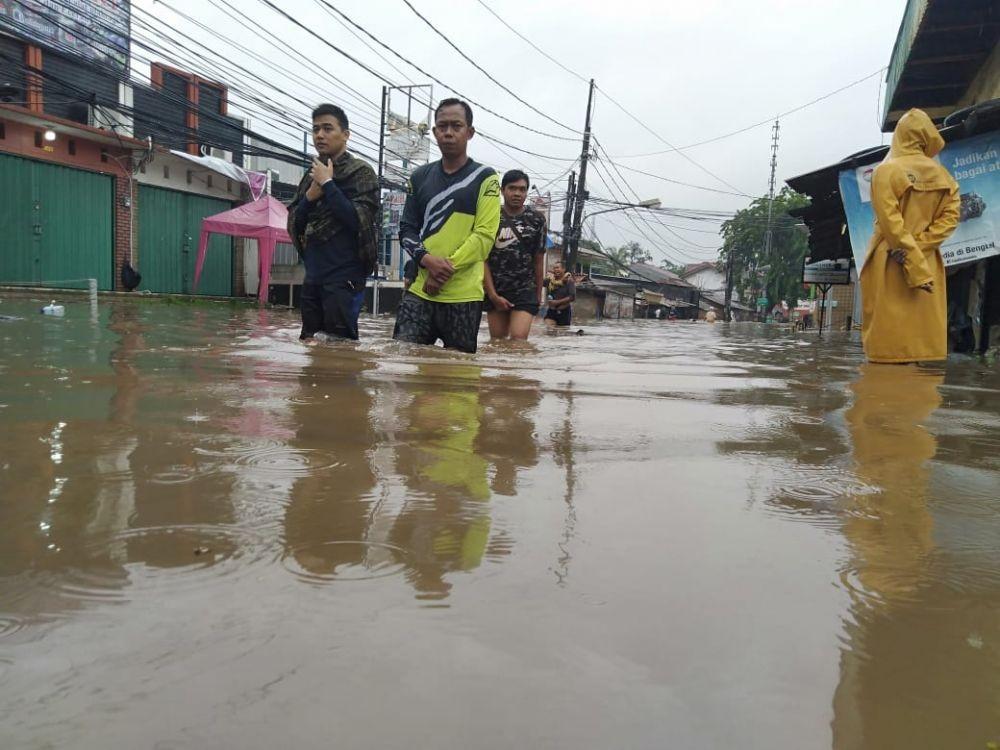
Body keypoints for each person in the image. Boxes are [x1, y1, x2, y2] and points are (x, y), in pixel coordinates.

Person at [393, 98, 501, 353]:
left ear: (470, 132)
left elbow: (484, 237)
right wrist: (427, 261)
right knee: (401, 366)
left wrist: (443, 272)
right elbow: (406, 229)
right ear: (434, 132)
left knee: (459, 379)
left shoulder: (486, 178)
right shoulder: (419, 177)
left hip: (464, 296)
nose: (449, 133)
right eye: (442, 127)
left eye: (456, 126)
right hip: (420, 291)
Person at [859, 108, 960, 363]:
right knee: (920, 351)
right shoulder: (946, 178)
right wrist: (921, 252)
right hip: (928, 262)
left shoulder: (886, 171)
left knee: (886, 354)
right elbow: (949, 220)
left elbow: (891, 224)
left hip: (891, 260)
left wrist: (911, 259)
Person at [288, 104, 379, 342]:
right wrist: (310, 197)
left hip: (344, 280)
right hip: (313, 277)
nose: (319, 135)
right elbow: (295, 222)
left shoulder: (361, 173)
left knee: (341, 350)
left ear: (345, 134)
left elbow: (359, 221)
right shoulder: (311, 176)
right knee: (310, 345)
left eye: (328, 128)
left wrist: (328, 185)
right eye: (316, 129)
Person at [483, 170, 547, 340]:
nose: (517, 193)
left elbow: (539, 260)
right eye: (512, 188)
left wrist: (538, 295)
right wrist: (492, 295)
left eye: (522, 189)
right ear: (502, 190)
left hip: (525, 290)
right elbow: (482, 259)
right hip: (496, 289)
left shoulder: (537, 219)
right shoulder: (489, 216)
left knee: (518, 340)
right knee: (497, 342)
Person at [543, 261, 575, 329]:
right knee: (549, 330)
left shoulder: (569, 281)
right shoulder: (549, 280)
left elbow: (572, 297)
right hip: (551, 311)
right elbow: (538, 283)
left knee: (562, 335)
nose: (555, 270)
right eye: (554, 268)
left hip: (564, 312)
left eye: (557, 268)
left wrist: (557, 302)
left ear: (563, 269)